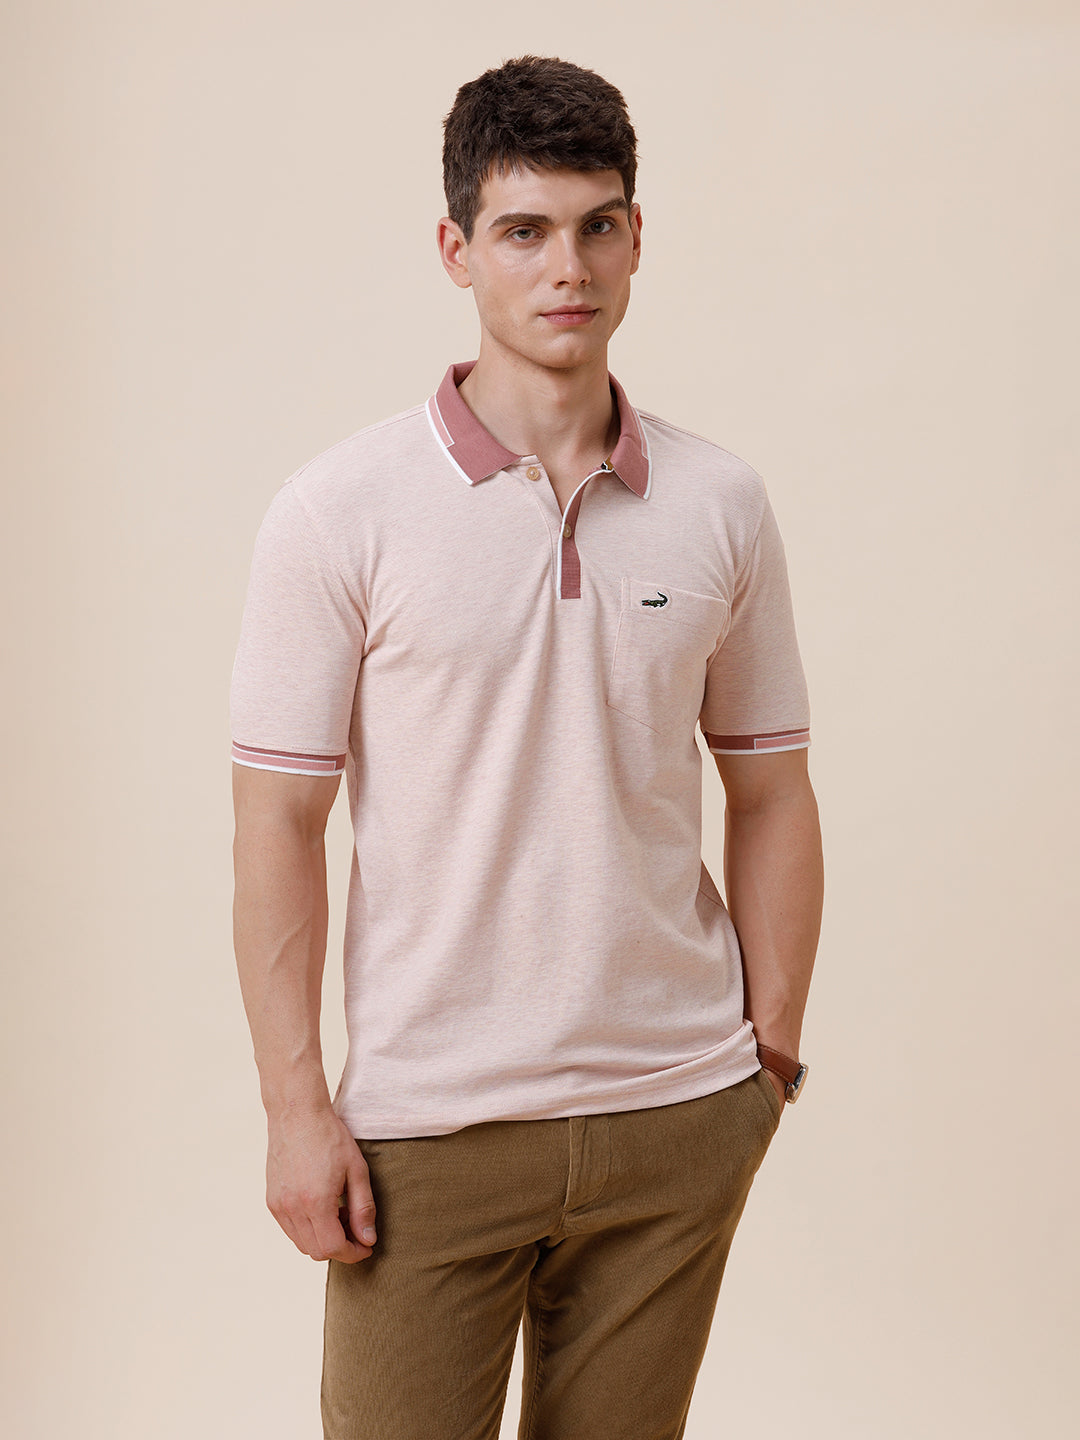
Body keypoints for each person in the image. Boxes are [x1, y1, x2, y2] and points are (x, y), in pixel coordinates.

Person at [230, 53, 823, 1440]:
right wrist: (295, 1107)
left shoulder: (720, 503)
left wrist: (769, 1062)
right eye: (524, 230)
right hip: (431, 1133)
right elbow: (276, 828)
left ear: (636, 237)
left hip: (678, 1117)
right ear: (457, 250)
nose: (569, 267)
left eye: (598, 225)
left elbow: (774, 789)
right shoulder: (339, 512)